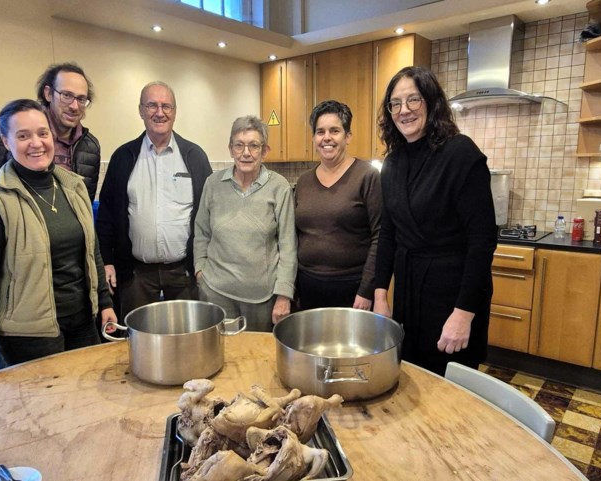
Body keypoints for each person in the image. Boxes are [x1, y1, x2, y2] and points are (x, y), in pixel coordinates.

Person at [0, 99, 117, 385]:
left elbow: (92, 250)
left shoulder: (73, 186)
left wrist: (104, 302)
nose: (36, 143)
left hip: (82, 322)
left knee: (86, 402)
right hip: (28, 336)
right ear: (6, 141)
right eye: (23, 135)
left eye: (42, 133)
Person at [373, 66, 497, 376]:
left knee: (451, 390)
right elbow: (388, 233)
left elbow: (482, 243)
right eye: (395, 103)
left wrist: (463, 314)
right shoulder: (393, 162)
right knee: (413, 378)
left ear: (431, 102)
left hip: (451, 295)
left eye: (413, 100)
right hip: (409, 293)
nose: (404, 111)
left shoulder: (461, 154)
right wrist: (380, 296)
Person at [96, 81, 212, 320]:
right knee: (138, 343)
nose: (160, 113)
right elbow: (107, 216)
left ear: (175, 112)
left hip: (185, 273)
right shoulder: (123, 157)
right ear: (141, 111)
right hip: (136, 275)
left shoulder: (195, 157)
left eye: (166, 106)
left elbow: (211, 214)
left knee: (187, 341)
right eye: (152, 106)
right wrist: (107, 261)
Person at [194, 116, 297, 331]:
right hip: (216, 293)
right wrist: (199, 271)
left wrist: (284, 295)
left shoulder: (280, 187)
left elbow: (288, 246)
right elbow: (202, 232)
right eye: (239, 145)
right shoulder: (213, 184)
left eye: (253, 145)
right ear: (231, 149)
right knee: (220, 357)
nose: (246, 153)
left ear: (265, 150)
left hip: (262, 298)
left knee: (256, 359)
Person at [0, 62, 101, 204]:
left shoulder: (90, 147)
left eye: (81, 99)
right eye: (66, 95)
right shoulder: (8, 134)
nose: (74, 106)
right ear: (48, 93)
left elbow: (85, 205)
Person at [294, 100, 382, 311]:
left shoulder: (367, 176)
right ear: (314, 137)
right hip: (308, 285)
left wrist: (366, 290)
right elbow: (296, 236)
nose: (327, 138)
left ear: (348, 136)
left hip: (352, 287)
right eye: (320, 132)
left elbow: (380, 236)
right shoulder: (304, 182)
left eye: (335, 131)